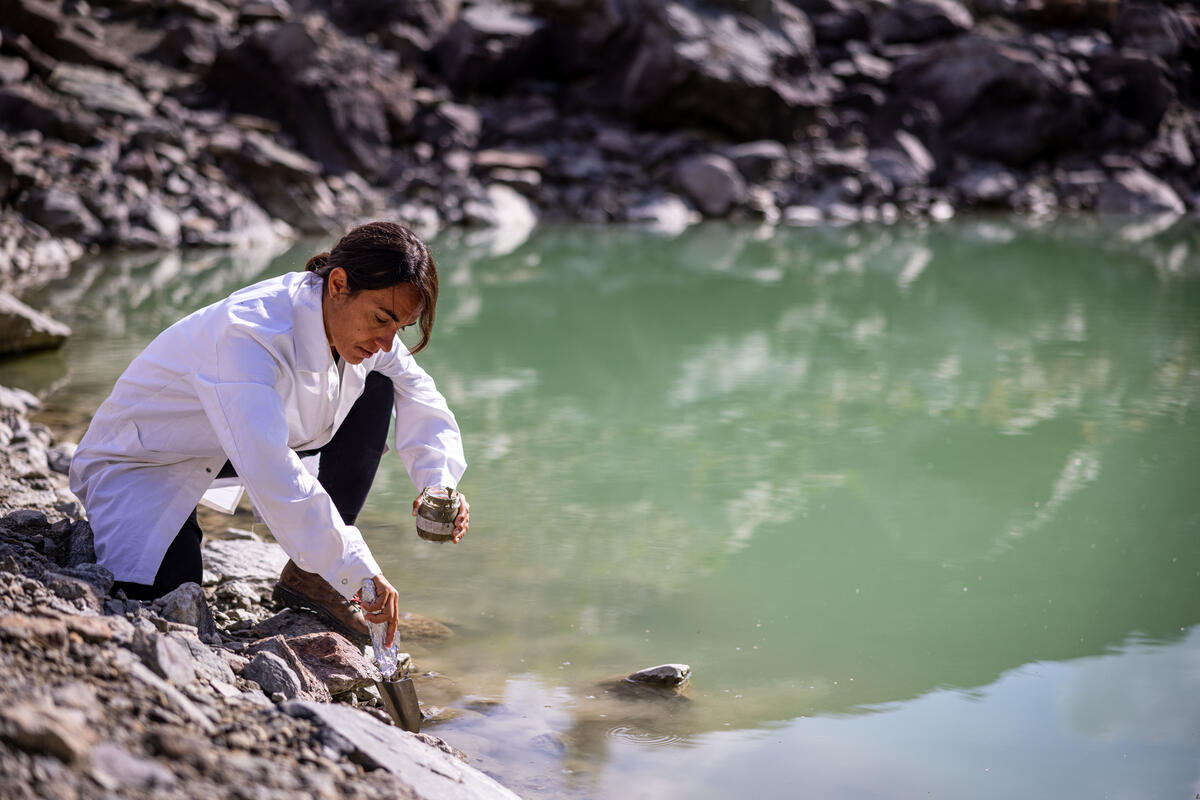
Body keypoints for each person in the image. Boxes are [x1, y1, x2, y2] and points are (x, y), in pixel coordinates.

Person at [69, 221, 469, 648]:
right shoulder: (250, 334)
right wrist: (359, 572)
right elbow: (273, 474)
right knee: (169, 608)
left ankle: (312, 578)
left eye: (401, 328)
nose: (389, 342)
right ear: (338, 284)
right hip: (146, 460)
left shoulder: (355, 330)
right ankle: (315, 566)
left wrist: (438, 484)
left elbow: (420, 392)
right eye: (382, 319)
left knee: (380, 381)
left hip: (229, 447)